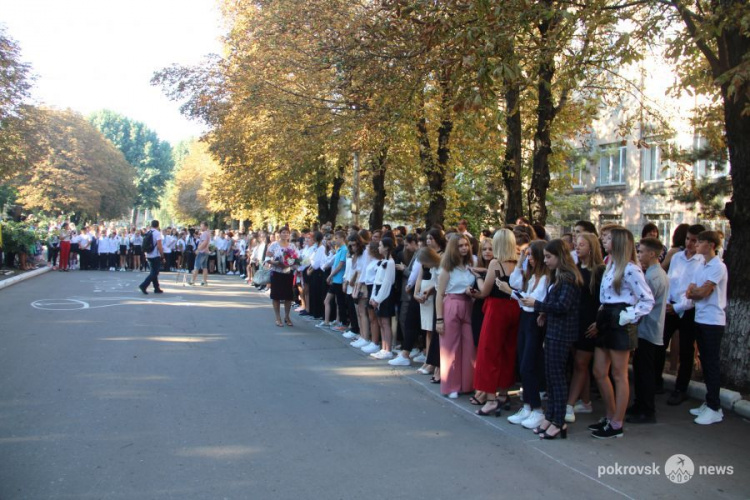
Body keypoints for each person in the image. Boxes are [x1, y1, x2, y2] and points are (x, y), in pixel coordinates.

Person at [589, 227, 654, 439]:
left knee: (619, 374)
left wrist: (630, 315)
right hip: (606, 316)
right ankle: (610, 415)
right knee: (599, 371)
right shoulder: (611, 264)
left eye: (608, 239)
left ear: (618, 242)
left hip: (620, 317)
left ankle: (617, 423)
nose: (604, 241)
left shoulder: (630, 269)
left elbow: (647, 299)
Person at [520, 240, 582, 439]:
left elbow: (563, 306)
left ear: (560, 256)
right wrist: (544, 312)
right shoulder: (558, 276)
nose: (545, 260)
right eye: (544, 256)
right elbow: (555, 303)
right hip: (553, 330)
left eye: (549, 257)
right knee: (551, 376)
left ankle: (559, 421)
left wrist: (538, 305)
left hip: (562, 333)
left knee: (557, 379)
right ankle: (551, 416)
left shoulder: (568, 277)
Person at [467, 229, 520, 416]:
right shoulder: (518, 262)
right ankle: (504, 394)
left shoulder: (496, 263)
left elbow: (485, 292)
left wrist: (477, 281)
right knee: (508, 351)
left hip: (496, 309)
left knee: (488, 352)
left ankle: (490, 398)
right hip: (515, 308)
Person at [658, 224, 705, 403]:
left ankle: (680, 388)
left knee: (686, 351)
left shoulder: (702, 262)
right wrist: (668, 303)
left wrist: (677, 307)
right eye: (687, 239)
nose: (690, 244)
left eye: (694, 241)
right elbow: (671, 280)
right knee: (660, 344)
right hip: (671, 306)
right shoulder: (677, 257)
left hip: (687, 310)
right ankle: (657, 381)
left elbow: (695, 291)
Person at [686, 231, 728, 425]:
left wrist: (697, 292)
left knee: (711, 362)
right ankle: (709, 401)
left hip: (713, 320)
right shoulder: (701, 264)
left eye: (701, 241)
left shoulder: (718, 266)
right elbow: (691, 290)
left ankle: (714, 407)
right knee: (704, 360)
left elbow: (703, 292)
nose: (696, 244)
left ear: (711, 245)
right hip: (700, 318)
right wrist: (696, 292)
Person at [506, 240, 549, 429]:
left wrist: (512, 293)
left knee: (528, 365)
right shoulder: (532, 276)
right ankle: (527, 405)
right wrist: (519, 261)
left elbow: (534, 301)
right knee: (522, 362)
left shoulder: (547, 278)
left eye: (531, 255)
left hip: (534, 322)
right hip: (526, 318)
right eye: (527, 255)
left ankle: (537, 409)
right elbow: (515, 283)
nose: (528, 258)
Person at [627, 237, 669, 424]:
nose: (639, 255)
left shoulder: (654, 276)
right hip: (646, 328)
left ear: (652, 254)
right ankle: (640, 404)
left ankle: (647, 409)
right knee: (641, 369)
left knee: (645, 371)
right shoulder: (652, 274)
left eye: (642, 251)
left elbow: (644, 302)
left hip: (649, 329)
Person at [565, 232, 605, 423]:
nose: (577, 247)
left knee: (581, 363)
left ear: (591, 247)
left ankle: (569, 405)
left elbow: (603, 301)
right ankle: (586, 401)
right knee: (578, 363)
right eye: (576, 244)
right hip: (575, 321)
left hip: (590, 323)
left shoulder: (599, 271)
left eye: (581, 244)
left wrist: (599, 322)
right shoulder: (575, 268)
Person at [435, 233, 476, 398]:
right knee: (450, 347)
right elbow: (439, 294)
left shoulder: (471, 266)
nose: (464, 248)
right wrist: (439, 319)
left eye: (465, 245)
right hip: (452, 304)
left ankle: (467, 384)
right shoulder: (446, 269)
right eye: (460, 246)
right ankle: (451, 385)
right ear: (453, 248)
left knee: (469, 345)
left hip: (469, 304)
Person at [369, 237, 397, 360]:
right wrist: (372, 297)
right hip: (378, 294)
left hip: (386, 295)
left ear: (386, 247)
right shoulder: (382, 261)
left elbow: (387, 283)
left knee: (385, 322)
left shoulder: (390, 263)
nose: (379, 248)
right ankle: (383, 347)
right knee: (380, 321)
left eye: (380, 246)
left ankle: (388, 349)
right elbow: (376, 281)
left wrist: (378, 299)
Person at [266, 226, 299, 327]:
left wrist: (292, 263)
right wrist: (275, 262)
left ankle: (287, 316)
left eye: (287, 233)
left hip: (287, 273)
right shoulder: (274, 245)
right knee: (276, 296)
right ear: (279, 234)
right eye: (283, 232)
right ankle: (277, 317)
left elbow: (296, 258)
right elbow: (267, 258)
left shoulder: (292, 246)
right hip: (276, 273)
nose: (285, 234)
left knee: (288, 296)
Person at [138, 220, 165, 295]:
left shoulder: (148, 232)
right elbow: (159, 245)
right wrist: (162, 255)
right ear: (158, 226)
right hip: (155, 255)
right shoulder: (157, 233)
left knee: (153, 271)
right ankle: (144, 285)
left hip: (148, 254)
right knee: (155, 272)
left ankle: (156, 288)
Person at [190, 221, 211, 286]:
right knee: (204, 267)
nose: (200, 227)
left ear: (205, 226)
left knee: (196, 266)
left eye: (201, 226)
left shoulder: (204, 233)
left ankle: (192, 281)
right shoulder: (208, 233)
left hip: (202, 252)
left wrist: (198, 249)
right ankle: (204, 281)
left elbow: (204, 242)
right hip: (206, 251)